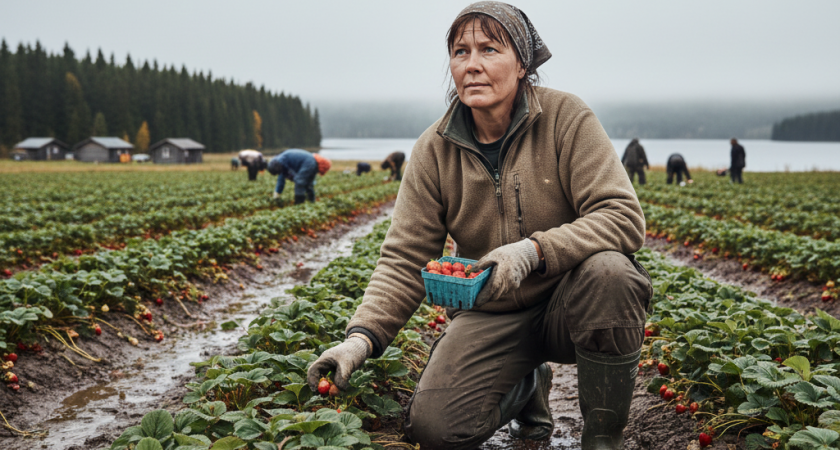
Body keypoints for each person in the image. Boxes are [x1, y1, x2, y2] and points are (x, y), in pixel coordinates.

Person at [306, 3, 651, 449]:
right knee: (436, 431)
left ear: (522, 64)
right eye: (460, 51)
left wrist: (532, 252)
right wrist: (359, 340)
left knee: (612, 273)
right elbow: (404, 258)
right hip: (491, 312)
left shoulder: (566, 118)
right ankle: (527, 385)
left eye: (489, 49)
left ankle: (603, 439)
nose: (472, 65)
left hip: (569, 303)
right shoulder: (433, 150)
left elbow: (621, 216)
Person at [266, 149, 331, 204]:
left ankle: (306, 200)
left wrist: (302, 200)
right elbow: (283, 179)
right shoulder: (281, 163)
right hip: (285, 162)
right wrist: (277, 194)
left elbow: (304, 181)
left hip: (305, 162)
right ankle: (308, 200)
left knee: (303, 181)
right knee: (302, 181)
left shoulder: (311, 163)